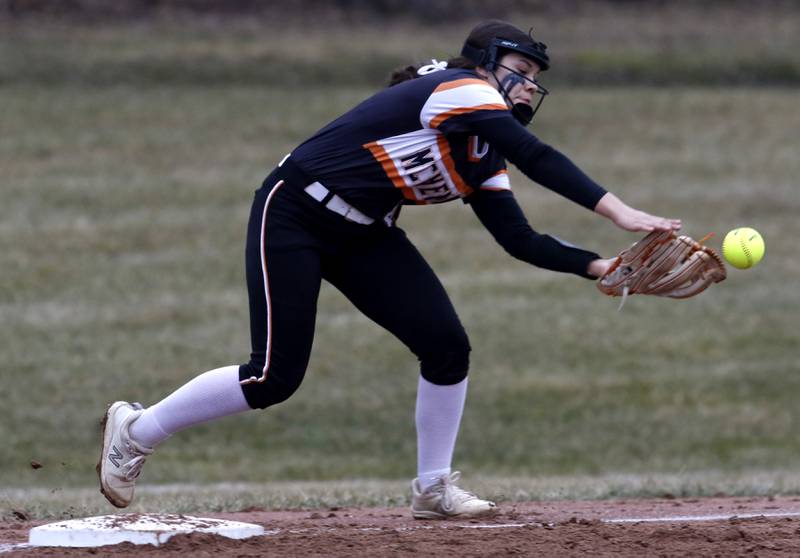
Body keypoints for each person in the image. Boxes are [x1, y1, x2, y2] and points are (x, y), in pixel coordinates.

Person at [97, 19, 681, 519]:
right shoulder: (458, 87)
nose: (529, 85)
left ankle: (432, 488)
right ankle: (136, 431)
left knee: (447, 346)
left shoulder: (480, 151)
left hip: (363, 232)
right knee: (273, 376)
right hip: (295, 212)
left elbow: (519, 238)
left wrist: (601, 266)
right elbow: (541, 157)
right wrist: (619, 211)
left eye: (535, 77)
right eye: (519, 69)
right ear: (482, 63)